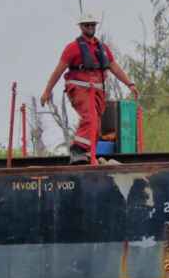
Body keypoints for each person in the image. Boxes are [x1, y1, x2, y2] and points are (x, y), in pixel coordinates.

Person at [40, 12, 139, 165]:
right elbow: (58, 71)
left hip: (97, 90)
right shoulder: (72, 48)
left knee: (96, 125)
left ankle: (86, 155)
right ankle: (78, 149)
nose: (90, 27)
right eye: (87, 25)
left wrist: (129, 84)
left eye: (92, 25)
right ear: (81, 27)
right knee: (90, 118)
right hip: (80, 88)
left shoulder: (102, 48)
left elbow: (114, 67)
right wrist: (47, 91)